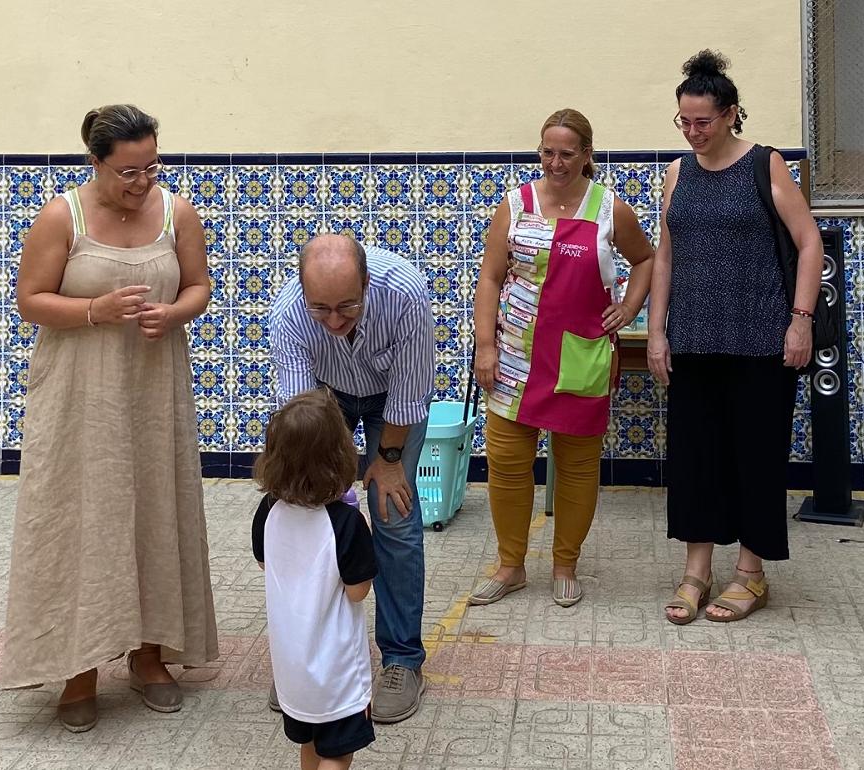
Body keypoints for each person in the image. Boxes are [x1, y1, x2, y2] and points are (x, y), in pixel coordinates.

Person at [1, 104, 219, 731]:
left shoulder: (176, 212)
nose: (142, 182)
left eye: (151, 167)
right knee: (81, 518)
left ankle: (150, 657)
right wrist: (94, 308)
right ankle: (78, 666)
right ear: (94, 162)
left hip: (154, 389)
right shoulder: (59, 216)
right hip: (80, 396)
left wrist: (176, 313)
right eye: (128, 172)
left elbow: (199, 285)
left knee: (155, 509)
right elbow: (30, 301)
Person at [647, 51, 822, 624]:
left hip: (760, 340)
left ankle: (751, 572)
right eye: (684, 121)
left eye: (703, 121)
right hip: (693, 339)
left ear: (730, 115)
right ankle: (697, 570)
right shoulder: (678, 173)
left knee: (755, 454)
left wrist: (800, 319)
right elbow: (665, 255)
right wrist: (656, 332)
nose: (693, 132)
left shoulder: (764, 165)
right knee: (697, 456)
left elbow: (809, 243)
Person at [470, 108, 654, 608]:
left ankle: (565, 564)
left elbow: (646, 259)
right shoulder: (515, 205)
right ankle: (511, 566)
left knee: (576, 468)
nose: (556, 162)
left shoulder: (609, 208)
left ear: (587, 155)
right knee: (507, 464)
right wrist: (485, 346)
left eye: (567, 154)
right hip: (514, 357)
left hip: (582, 358)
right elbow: (490, 278)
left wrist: (630, 307)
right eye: (547, 152)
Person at [268, 234, 435, 723]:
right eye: (322, 310)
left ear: (366, 282)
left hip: (392, 400)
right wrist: (328, 492)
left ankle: (403, 659)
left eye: (348, 307)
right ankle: (306, 667)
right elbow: (302, 414)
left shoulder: (404, 293)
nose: (336, 322)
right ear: (303, 294)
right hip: (326, 398)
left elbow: (409, 390)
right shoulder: (289, 315)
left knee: (393, 514)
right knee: (312, 518)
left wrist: (385, 462)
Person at [253, 388, 377, 770]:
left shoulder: (268, 510)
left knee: (309, 745)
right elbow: (357, 592)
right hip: (335, 668)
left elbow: (265, 562)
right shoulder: (345, 523)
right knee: (337, 755)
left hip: (292, 666)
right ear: (340, 456)